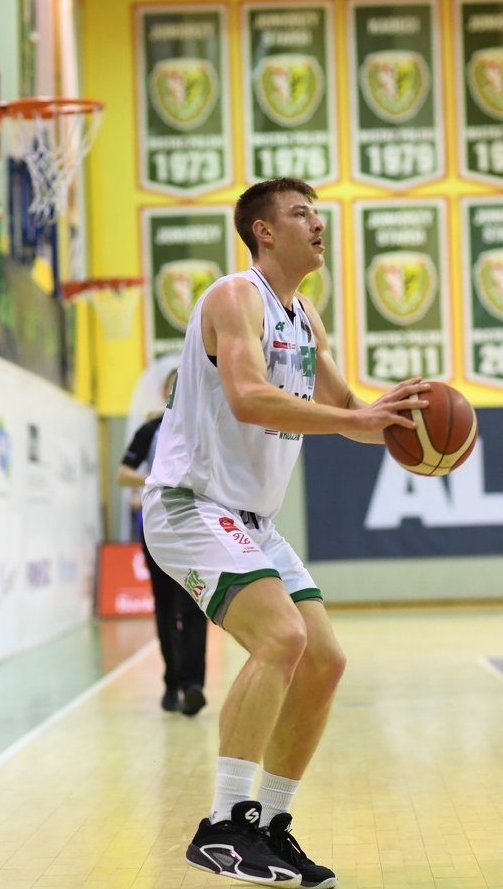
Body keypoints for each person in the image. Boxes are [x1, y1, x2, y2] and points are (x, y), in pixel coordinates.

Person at [142, 177, 427, 888]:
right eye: (301, 214)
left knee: (324, 660)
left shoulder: (305, 318)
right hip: (190, 504)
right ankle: (222, 827)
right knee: (281, 638)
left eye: (318, 214)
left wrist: (401, 422)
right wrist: (356, 419)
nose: (318, 225)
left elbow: (348, 408)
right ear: (264, 231)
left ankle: (268, 826)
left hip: (251, 520)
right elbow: (247, 398)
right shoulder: (234, 296)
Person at [117, 368, 209, 716]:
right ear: (164, 391)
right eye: (174, 387)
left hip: (197, 526)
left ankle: (193, 685)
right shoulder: (151, 430)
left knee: (196, 604)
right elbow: (122, 474)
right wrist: (155, 479)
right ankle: (172, 682)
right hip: (157, 526)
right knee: (166, 607)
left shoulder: (205, 428)